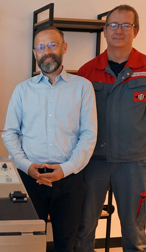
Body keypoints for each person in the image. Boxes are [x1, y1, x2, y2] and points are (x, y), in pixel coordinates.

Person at [2, 26, 97, 252]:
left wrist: (64, 170)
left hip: (69, 179)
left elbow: (88, 135)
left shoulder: (83, 88)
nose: (47, 52)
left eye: (52, 45)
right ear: (35, 52)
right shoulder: (22, 90)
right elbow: (10, 133)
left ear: (64, 47)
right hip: (30, 178)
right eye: (41, 47)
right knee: (29, 242)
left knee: (66, 243)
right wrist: (26, 166)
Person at [75, 5, 146, 252]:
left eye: (126, 25)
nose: (119, 30)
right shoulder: (86, 72)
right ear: (105, 31)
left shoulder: (145, 68)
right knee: (83, 230)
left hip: (134, 165)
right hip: (93, 163)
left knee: (135, 233)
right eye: (114, 25)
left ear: (135, 31)